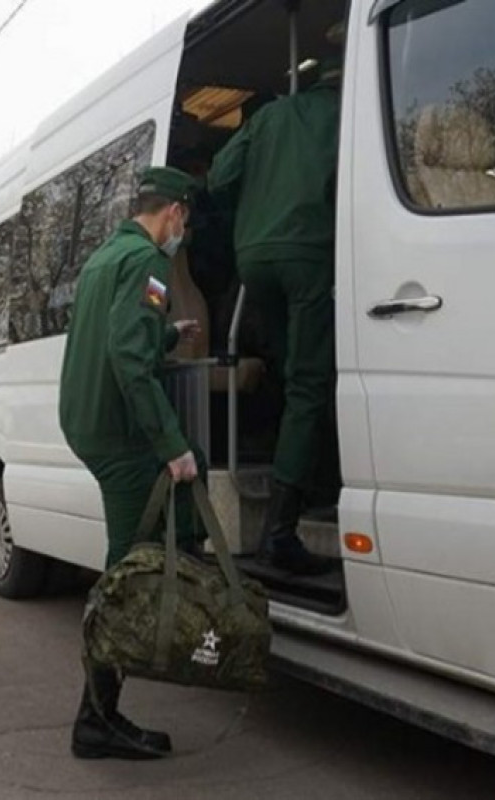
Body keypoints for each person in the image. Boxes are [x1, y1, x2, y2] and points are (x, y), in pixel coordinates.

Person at [59, 167, 206, 760]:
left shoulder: (104, 258)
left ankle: (100, 712)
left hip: (89, 424)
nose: (182, 234)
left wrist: (166, 335)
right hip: (122, 438)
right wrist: (173, 445)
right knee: (125, 576)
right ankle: (96, 718)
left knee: (126, 566)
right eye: (184, 222)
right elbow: (126, 359)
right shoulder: (147, 262)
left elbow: (119, 337)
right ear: (173, 213)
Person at [207, 60, 342, 576]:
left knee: (296, 379)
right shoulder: (343, 115)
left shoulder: (268, 118)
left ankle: (315, 484)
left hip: (254, 259)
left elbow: (219, 178)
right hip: (307, 253)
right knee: (311, 385)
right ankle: (280, 532)